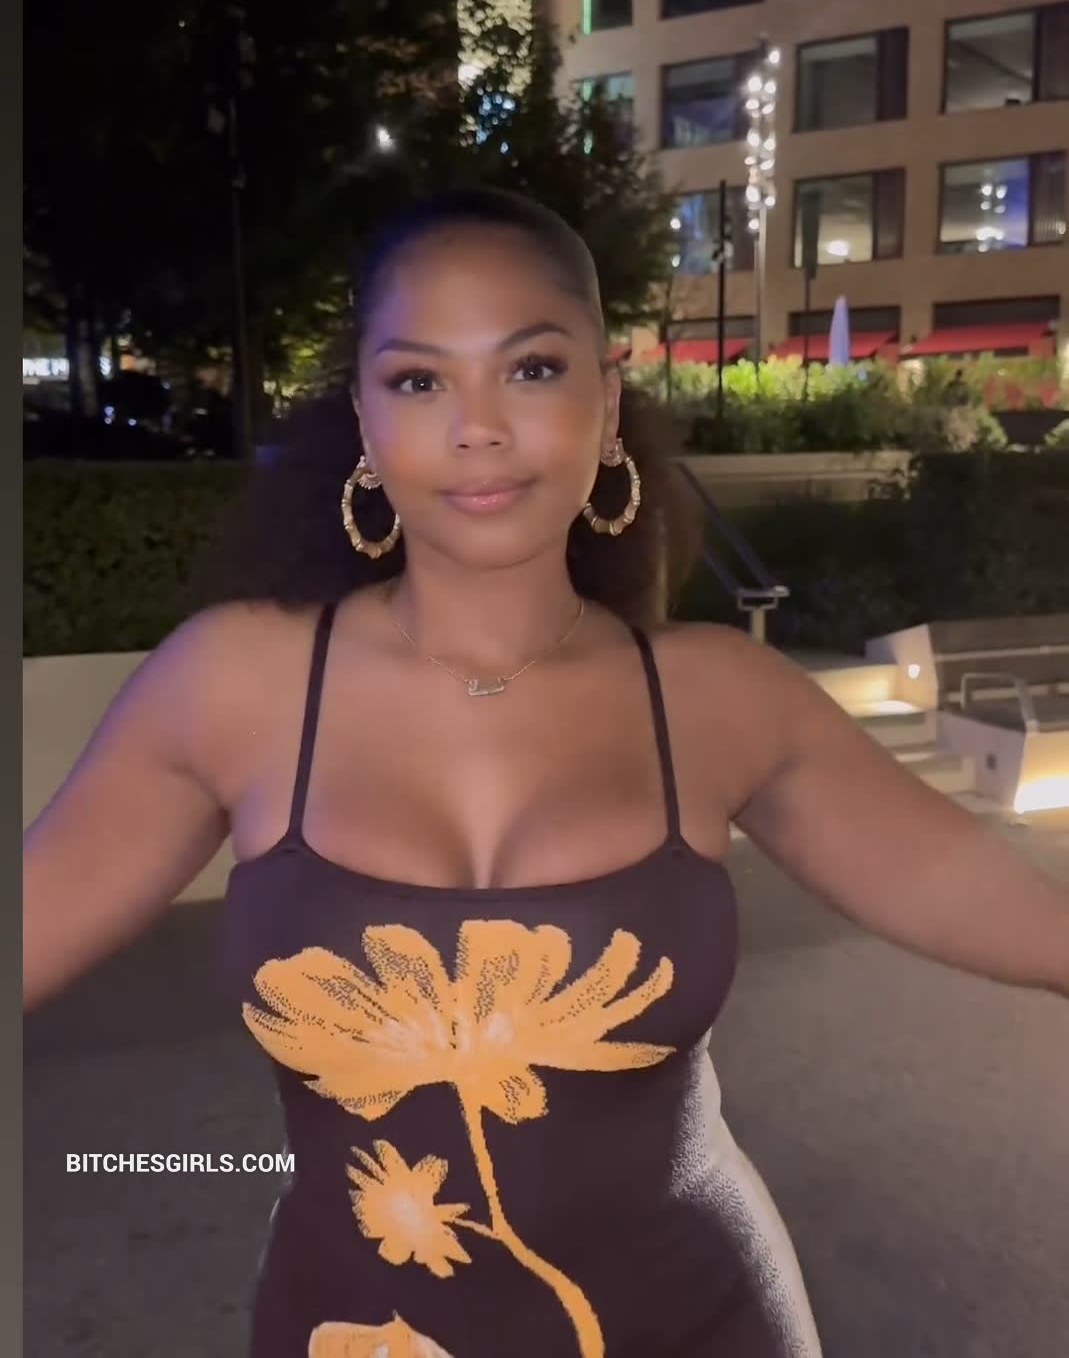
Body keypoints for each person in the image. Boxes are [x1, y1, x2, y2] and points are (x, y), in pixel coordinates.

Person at [24, 188, 1069, 1358]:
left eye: (529, 368)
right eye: (419, 380)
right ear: (363, 417)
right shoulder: (236, 686)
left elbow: (982, 893)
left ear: (605, 401)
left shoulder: (716, 698)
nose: (477, 427)